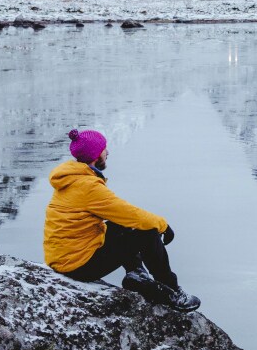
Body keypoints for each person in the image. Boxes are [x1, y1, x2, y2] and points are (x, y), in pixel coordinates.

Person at [43, 127, 200, 312]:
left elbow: (123, 217)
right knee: (148, 233)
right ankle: (173, 292)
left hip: (63, 257)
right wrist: (163, 225)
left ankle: (136, 273)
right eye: (104, 149)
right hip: (77, 266)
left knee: (121, 226)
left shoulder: (71, 179)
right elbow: (130, 214)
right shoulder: (88, 187)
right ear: (95, 155)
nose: (107, 152)